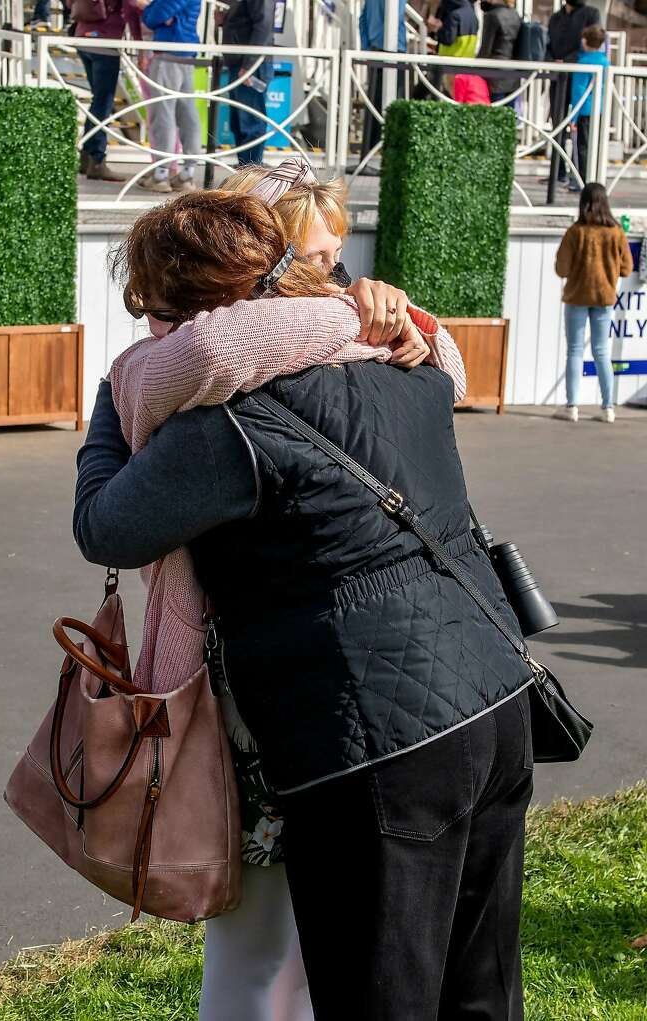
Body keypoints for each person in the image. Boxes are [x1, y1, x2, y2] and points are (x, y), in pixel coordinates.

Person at [75, 191, 534, 1019]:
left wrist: (116, 398)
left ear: (183, 316)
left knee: (379, 995)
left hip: (376, 739)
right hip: (495, 697)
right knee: (482, 991)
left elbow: (106, 525)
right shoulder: (402, 357)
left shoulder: (226, 422)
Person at [554, 182, 631, 422]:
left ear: (583, 202)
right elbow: (627, 268)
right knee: (601, 352)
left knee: (575, 352)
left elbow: (561, 268)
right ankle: (608, 408)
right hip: (604, 298)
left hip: (577, 297)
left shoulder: (575, 232)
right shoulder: (616, 232)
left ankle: (572, 407)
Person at [72, 0, 142, 183]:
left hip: (82, 37)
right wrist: (139, 40)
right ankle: (96, 159)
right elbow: (131, 6)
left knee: (98, 100)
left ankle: (87, 156)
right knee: (104, 101)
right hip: (105, 39)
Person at [139, 0, 205, 193]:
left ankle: (161, 174)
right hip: (186, 52)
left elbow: (151, 17)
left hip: (169, 52)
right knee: (187, 113)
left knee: (164, 113)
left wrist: (150, 10)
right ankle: (187, 173)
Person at [548, 0, 601, 184]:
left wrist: (567, 61)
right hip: (558, 78)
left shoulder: (591, 13)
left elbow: (593, 42)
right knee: (558, 126)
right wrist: (551, 61)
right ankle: (557, 172)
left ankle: (580, 177)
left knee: (583, 133)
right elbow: (549, 43)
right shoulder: (556, 17)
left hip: (580, 78)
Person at [221, 0, 277, 166]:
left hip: (249, 65)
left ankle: (252, 173)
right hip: (242, 63)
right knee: (239, 123)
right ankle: (246, 170)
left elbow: (263, 26)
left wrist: (249, 65)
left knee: (250, 123)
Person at [359, 0, 407, 162]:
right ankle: (392, 150)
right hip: (394, 49)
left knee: (373, 102)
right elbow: (395, 17)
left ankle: (370, 151)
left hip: (375, 49)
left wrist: (367, 47)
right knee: (394, 104)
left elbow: (362, 19)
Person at [569, 24, 608, 189]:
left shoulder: (583, 62)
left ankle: (582, 180)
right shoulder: (604, 61)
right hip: (598, 109)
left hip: (584, 110)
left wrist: (573, 117)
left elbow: (578, 91)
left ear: (584, 41)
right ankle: (595, 179)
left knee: (582, 147)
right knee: (595, 145)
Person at [478, 0, 524, 105]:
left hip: (495, 75)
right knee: (509, 116)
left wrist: (473, 67)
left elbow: (486, 49)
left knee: (496, 115)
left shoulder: (492, 16)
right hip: (513, 74)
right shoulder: (515, 14)